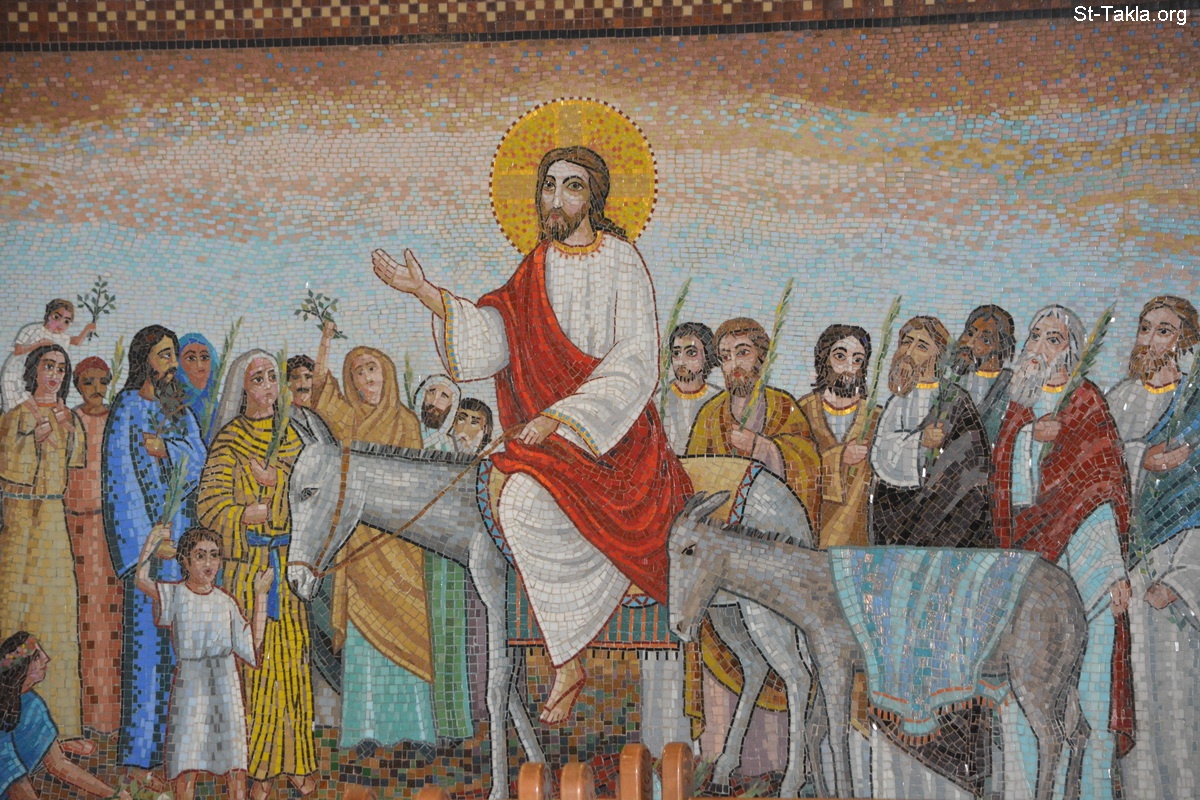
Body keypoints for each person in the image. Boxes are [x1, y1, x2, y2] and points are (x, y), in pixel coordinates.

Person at [372, 145, 691, 725]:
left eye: (571, 186)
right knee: (514, 499)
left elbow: (636, 360)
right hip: (552, 441)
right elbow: (496, 337)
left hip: (613, 437)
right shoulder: (536, 265)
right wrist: (426, 294)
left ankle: (595, 610)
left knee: (525, 497)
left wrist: (563, 417)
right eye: (548, 185)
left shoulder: (622, 261)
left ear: (593, 198)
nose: (556, 198)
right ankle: (568, 660)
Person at [992, 305, 1133, 800]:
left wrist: (1113, 570)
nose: (1038, 347)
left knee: (1092, 694)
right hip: (1030, 562)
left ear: (1072, 352)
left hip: (1086, 557)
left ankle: (1093, 792)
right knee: (1023, 691)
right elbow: (1005, 490)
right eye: (1035, 336)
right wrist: (1028, 440)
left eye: (1052, 338)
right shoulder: (1019, 408)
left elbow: (1103, 486)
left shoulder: (1086, 401)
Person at [309, 323, 442, 743]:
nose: (367, 378)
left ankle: (416, 731)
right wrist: (325, 343)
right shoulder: (348, 418)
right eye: (359, 372)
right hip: (360, 545)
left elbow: (416, 482)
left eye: (372, 369)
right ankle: (363, 731)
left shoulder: (405, 422)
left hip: (400, 546)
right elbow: (320, 389)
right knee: (363, 639)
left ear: (386, 374)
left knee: (410, 630)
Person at [196, 349, 318, 798]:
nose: (267, 387)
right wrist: (244, 514)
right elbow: (208, 506)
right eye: (258, 379)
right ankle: (259, 769)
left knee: (293, 666)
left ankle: (298, 763)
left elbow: (313, 496)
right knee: (257, 668)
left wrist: (277, 484)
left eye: (271, 377)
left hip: (286, 567)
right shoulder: (230, 440)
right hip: (248, 571)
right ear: (242, 389)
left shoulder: (293, 437)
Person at [1107, 296, 1200, 799]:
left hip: (1175, 566)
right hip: (1126, 570)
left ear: (1187, 343)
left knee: (1179, 703)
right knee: (1133, 702)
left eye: (1164, 330)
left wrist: (1182, 579)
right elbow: (1095, 478)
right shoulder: (1118, 399)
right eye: (1145, 328)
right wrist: (1141, 456)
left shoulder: (1195, 405)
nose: (1150, 339)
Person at [102, 325, 206, 777]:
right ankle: (141, 757)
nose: (172, 365)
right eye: (165, 355)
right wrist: (147, 544)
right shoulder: (126, 408)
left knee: (182, 650)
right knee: (147, 652)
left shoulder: (177, 410)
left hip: (181, 543)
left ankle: (180, 754)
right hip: (150, 548)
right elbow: (119, 481)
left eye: (174, 356)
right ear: (144, 359)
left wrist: (167, 448)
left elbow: (199, 458)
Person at [135, 526, 271, 800]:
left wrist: (261, 595)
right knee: (187, 762)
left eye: (214, 555)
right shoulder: (176, 595)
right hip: (191, 688)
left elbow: (253, 647)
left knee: (235, 765)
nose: (209, 563)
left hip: (225, 687)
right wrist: (151, 541)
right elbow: (141, 579)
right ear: (185, 561)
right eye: (200, 555)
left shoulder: (226, 603)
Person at [0, 345, 89, 750]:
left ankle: (63, 728)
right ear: (34, 371)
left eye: (61, 368)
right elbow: (6, 466)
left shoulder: (67, 416)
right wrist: (32, 442)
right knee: (14, 608)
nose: (54, 374)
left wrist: (68, 431)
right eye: (48, 366)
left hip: (52, 517)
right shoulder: (16, 415)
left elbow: (75, 461)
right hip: (21, 521)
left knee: (57, 612)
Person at [869, 315, 994, 548]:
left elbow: (973, 459)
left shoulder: (955, 399)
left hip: (940, 518)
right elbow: (880, 450)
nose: (909, 352)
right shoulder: (897, 400)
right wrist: (919, 442)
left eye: (922, 346)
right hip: (893, 509)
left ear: (938, 355)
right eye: (906, 342)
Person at [687, 317, 820, 515]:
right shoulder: (710, 414)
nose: (734, 364)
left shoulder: (784, 406)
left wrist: (762, 447)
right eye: (726, 357)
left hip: (775, 515)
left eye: (743, 353)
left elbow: (809, 465)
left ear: (761, 356)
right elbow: (693, 472)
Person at [0, 632, 131, 800]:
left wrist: (114, 794)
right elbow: (15, 784)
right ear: (20, 668)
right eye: (37, 656)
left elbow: (58, 763)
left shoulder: (33, 704)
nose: (46, 658)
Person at [65, 356, 123, 736]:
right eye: (88, 382)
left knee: (114, 624)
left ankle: (113, 716)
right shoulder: (69, 421)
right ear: (77, 385)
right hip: (78, 526)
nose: (96, 389)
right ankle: (88, 716)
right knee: (85, 623)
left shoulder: (119, 419)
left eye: (102, 381)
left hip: (113, 529)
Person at [796, 324, 877, 548]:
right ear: (824, 359)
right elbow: (794, 467)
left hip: (857, 532)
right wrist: (840, 457)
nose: (849, 368)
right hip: (810, 528)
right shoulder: (802, 410)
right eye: (840, 356)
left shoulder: (874, 417)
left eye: (857, 360)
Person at [0, 299, 95, 411]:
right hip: (18, 372)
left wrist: (87, 329)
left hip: (44, 378)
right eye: (56, 317)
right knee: (15, 404)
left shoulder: (62, 338)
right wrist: (38, 344)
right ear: (48, 314)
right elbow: (18, 350)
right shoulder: (33, 330)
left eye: (66, 321)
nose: (60, 324)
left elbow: (77, 341)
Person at [952, 304, 1016, 445]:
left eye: (985, 340)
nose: (970, 344)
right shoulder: (953, 381)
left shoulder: (1010, 386)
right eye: (970, 333)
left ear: (1001, 348)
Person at [660, 322, 721, 455]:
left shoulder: (718, 399)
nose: (681, 361)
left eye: (691, 353)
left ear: (707, 355)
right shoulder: (658, 400)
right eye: (676, 353)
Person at [177, 333, 219, 442]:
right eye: (191, 358)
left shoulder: (216, 408)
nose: (200, 366)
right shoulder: (169, 409)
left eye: (204, 357)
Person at [285, 354, 335, 444]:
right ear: (288, 383)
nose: (303, 383)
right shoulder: (282, 416)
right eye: (296, 377)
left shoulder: (313, 417)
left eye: (308, 377)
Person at [416, 374, 460, 451]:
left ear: (451, 405)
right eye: (432, 392)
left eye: (443, 396)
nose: (434, 402)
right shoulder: (407, 430)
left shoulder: (448, 446)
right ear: (424, 395)